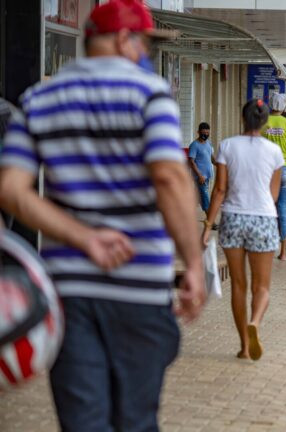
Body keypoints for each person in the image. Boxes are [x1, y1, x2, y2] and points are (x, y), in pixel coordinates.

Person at [0, 1, 206, 430]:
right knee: (135, 420)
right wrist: (193, 263)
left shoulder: (39, 99)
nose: (145, 53)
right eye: (145, 43)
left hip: (68, 294)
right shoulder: (150, 94)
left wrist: (83, 237)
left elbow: (11, 191)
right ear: (124, 39)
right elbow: (170, 178)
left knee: (83, 423)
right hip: (139, 291)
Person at [202, 99, 282, 361]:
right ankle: (255, 323)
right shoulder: (274, 151)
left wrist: (207, 226)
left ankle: (245, 347)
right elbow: (273, 194)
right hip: (263, 218)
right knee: (262, 287)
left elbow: (219, 190)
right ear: (265, 122)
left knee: (238, 285)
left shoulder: (227, 146)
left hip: (233, 218)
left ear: (242, 118)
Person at [263, 93, 286, 260]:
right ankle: (284, 253)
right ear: (284, 106)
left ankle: (266, 248)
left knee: (266, 209)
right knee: (284, 209)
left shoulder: (263, 122)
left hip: (267, 171)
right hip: (285, 170)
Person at [188, 122, 215, 212]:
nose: (205, 134)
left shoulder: (209, 143)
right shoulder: (194, 145)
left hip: (207, 175)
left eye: (207, 133)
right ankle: (210, 219)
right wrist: (199, 175)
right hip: (200, 177)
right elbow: (191, 162)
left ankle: (188, 209)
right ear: (198, 132)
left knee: (200, 196)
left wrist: (221, 164)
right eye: (203, 133)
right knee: (205, 197)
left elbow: (212, 158)